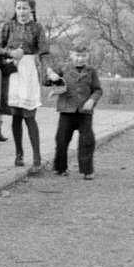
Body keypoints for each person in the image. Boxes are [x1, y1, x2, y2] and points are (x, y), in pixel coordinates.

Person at [0, 0, 56, 175]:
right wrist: (10, 53)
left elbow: (44, 52)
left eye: (25, 8)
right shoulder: (8, 26)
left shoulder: (37, 28)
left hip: (29, 71)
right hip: (12, 71)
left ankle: (37, 158)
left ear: (32, 10)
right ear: (14, 9)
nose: (21, 12)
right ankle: (19, 154)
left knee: (29, 115)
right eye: (19, 8)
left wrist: (48, 70)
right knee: (16, 115)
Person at [45, 43, 102, 179]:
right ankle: (60, 167)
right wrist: (51, 76)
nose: (80, 59)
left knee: (87, 140)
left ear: (88, 56)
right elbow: (47, 80)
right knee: (61, 140)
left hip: (84, 112)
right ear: (71, 54)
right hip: (66, 111)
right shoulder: (63, 68)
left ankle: (87, 170)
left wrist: (92, 100)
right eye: (77, 55)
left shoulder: (91, 71)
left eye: (83, 56)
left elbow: (98, 90)